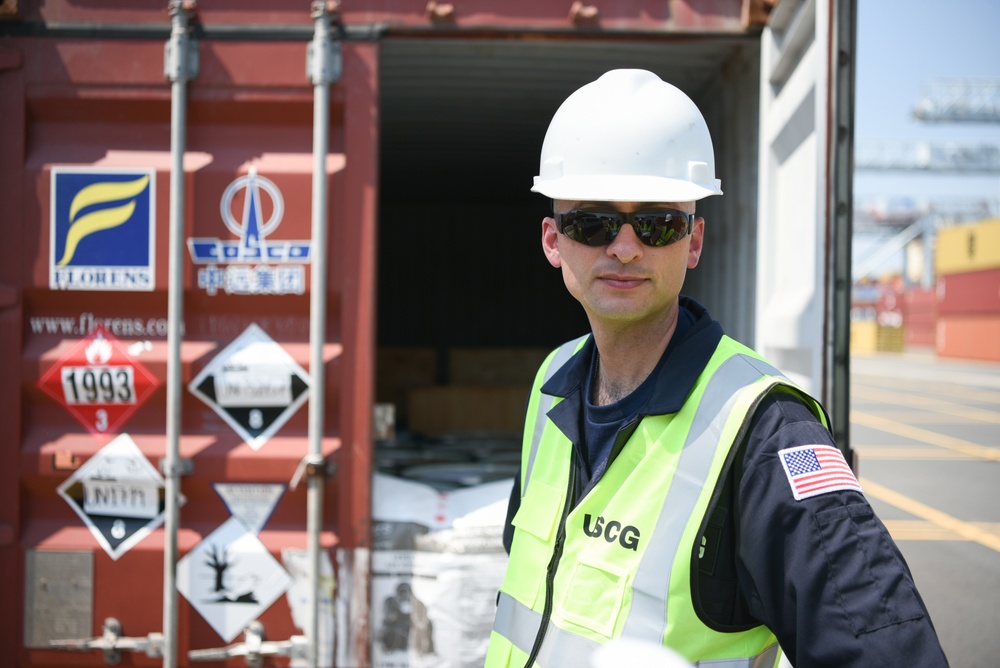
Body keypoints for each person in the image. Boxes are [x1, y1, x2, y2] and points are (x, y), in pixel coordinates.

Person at [484, 69, 948, 668]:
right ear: (553, 241)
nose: (625, 247)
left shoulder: (767, 432)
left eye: (656, 224)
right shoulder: (552, 382)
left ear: (694, 242)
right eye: (593, 223)